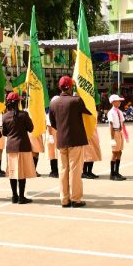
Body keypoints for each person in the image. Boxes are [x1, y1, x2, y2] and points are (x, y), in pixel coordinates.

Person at [48, 76, 92, 208]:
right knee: (75, 170)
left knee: (63, 170)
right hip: (76, 140)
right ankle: (76, 199)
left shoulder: (53, 103)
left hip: (61, 140)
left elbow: (53, 122)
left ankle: (64, 199)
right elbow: (89, 111)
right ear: (71, 87)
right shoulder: (76, 101)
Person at [2, 92, 36, 204]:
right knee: (22, 172)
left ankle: (14, 196)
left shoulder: (5, 116)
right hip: (23, 145)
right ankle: (21, 197)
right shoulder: (24, 115)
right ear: (19, 102)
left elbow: (5, 133)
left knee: (12, 172)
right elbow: (31, 128)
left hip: (11, 146)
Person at [106, 94, 128, 181]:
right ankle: (112, 173)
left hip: (119, 132)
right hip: (114, 132)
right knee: (114, 152)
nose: (119, 102)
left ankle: (117, 171)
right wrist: (112, 138)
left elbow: (123, 123)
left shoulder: (119, 112)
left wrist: (125, 135)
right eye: (118, 101)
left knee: (119, 152)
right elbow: (111, 125)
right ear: (113, 102)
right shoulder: (111, 112)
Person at [46, 113, 58, 178]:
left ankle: (56, 170)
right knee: (52, 154)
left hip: (56, 135)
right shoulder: (49, 113)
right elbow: (48, 125)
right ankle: (54, 171)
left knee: (56, 153)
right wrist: (50, 135)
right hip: (52, 136)